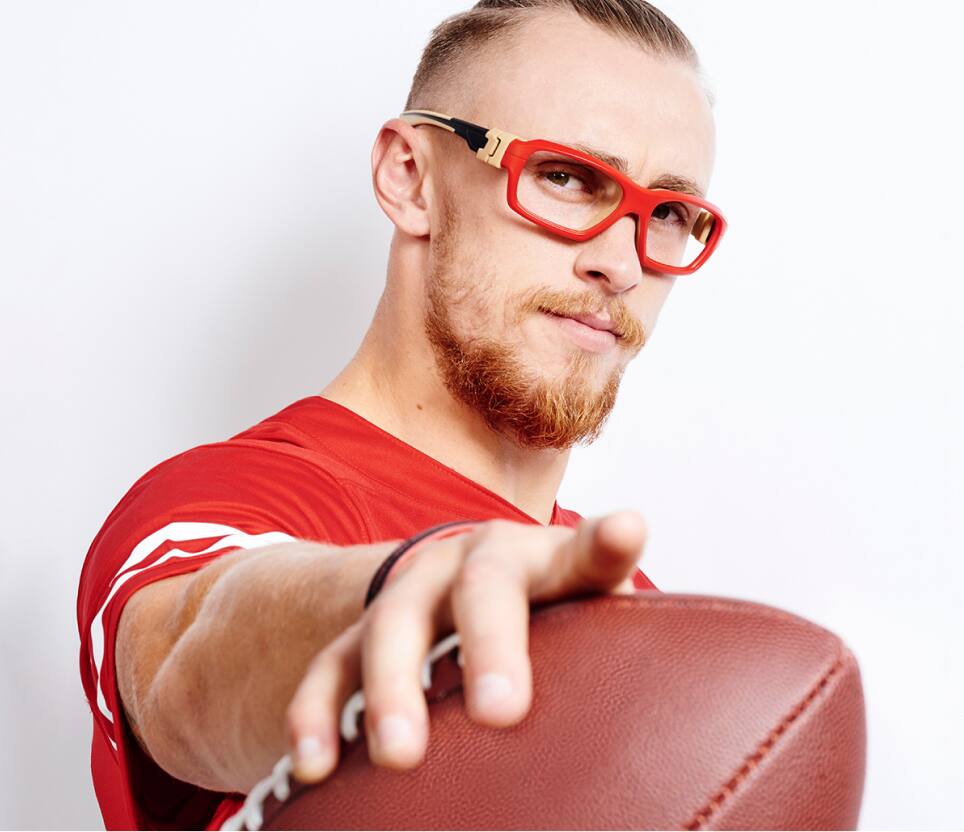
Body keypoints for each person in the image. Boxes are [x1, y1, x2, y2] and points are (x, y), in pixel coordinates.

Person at [76, 0, 725, 827]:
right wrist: (396, 597)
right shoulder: (226, 502)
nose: (622, 263)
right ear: (410, 179)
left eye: (668, 213)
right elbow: (187, 663)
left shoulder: (634, 602)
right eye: (565, 177)